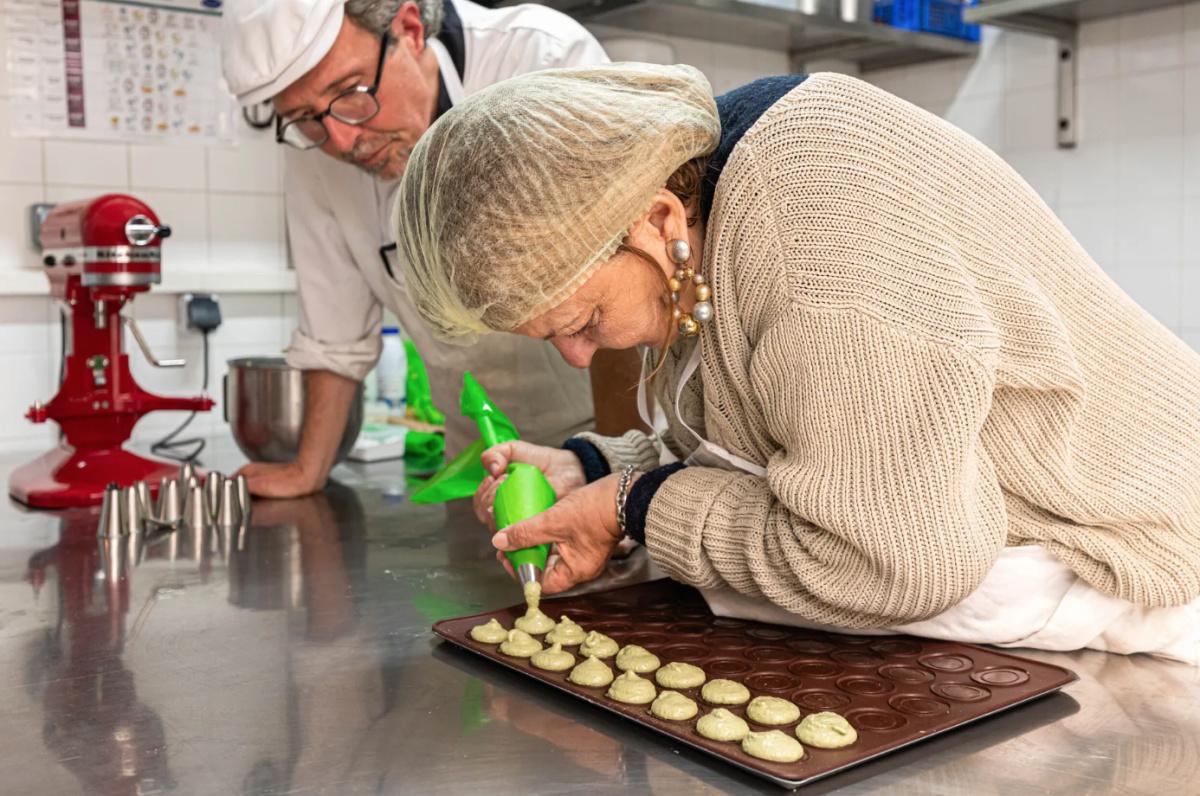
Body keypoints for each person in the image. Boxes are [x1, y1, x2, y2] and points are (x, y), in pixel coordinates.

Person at [394, 64, 1200, 659]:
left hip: (1143, 564)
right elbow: (796, 438)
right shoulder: (712, 208)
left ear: (655, 217)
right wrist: (596, 466)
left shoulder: (810, 229)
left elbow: (894, 560)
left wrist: (635, 507)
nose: (578, 356)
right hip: (993, 548)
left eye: (586, 319)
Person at [219, 0, 644, 498]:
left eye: (349, 92)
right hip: (476, 460)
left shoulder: (539, 57)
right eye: (305, 117)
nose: (342, 139)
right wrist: (306, 471)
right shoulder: (316, 150)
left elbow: (618, 283)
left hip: (600, 437)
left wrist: (614, 481)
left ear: (409, 26)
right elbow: (335, 336)